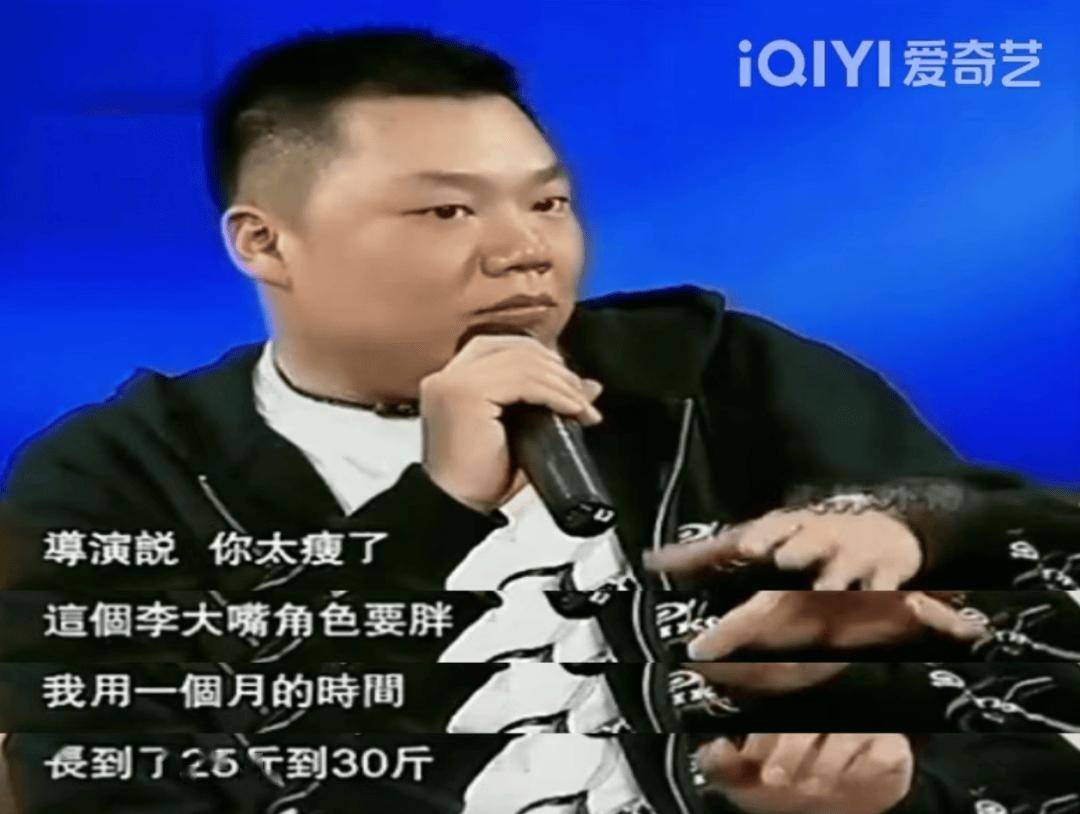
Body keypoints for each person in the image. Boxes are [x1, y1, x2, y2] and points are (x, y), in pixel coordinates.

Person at [1, 26, 1078, 814]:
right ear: (264, 243)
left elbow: (1036, 595)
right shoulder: (122, 476)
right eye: (446, 209)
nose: (526, 251)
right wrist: (436, 514)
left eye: (548, 202)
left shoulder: (716, 375)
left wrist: (902, 766)